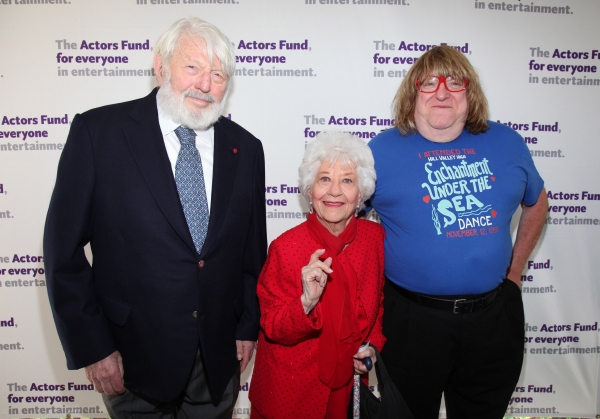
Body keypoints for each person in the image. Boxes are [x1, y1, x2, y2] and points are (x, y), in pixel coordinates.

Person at [43, 17, 267, 419]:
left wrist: (247, 327)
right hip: (131, 360)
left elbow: (251, 255)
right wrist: (93, 346)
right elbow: (63, 254)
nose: (205, 84)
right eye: (193, 67)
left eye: (218, 74)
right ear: (161, 67)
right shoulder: (99, 133)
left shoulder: (246, 149)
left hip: (217, 361)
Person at [368, 45, 548, 419]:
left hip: (493, 318)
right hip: (409, 323)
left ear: (471, 93)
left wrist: (515, 273)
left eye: (455, 82)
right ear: (412, 93)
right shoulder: (378, 152)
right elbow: (345, 222)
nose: (443, 92)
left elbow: (538, 201)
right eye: (429, 83)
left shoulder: (507, 142)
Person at [248, 132, 386, 419]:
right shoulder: (286, 247)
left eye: (347, 180)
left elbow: (377, 302)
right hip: (290, 390)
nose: (334, 191)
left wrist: (371, 346)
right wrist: (306, 302)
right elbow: (271, 325)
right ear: (309, 190)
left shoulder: (373, 238)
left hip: (349, 387)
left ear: (361, 193)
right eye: (324, 179)